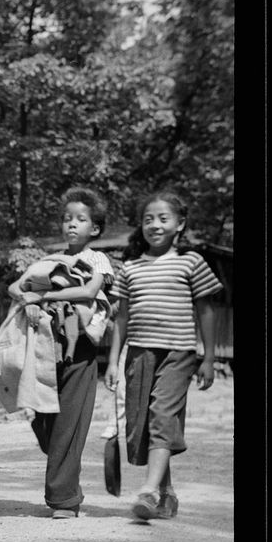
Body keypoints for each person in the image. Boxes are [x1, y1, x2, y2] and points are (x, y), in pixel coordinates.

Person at [104, 191, 221, 521]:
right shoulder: (130, 268)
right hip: (139, 354)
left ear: (180, 224)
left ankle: (149, 490)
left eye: (163, 218)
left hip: (178, 353)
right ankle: (166, 494)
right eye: (148, 219)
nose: (155, 224)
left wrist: (208, 358)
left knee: (161, 416)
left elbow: (206, 310)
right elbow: (122, 318)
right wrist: (113, 361)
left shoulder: (191, 262)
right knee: (143, 422)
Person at [0, 187, 115, 518]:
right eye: (67, 219)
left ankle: (63, 498)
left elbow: (91, 290)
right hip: (46, 344)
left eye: (80, 219)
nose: (72, 225)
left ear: (94, 228)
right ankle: (61, 464)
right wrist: (27, 300)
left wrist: (44, 297)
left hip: (80, 348)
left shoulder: (97, 259)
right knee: (45, 417)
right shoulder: (50, 261)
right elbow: (16, 287)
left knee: (70, 422)